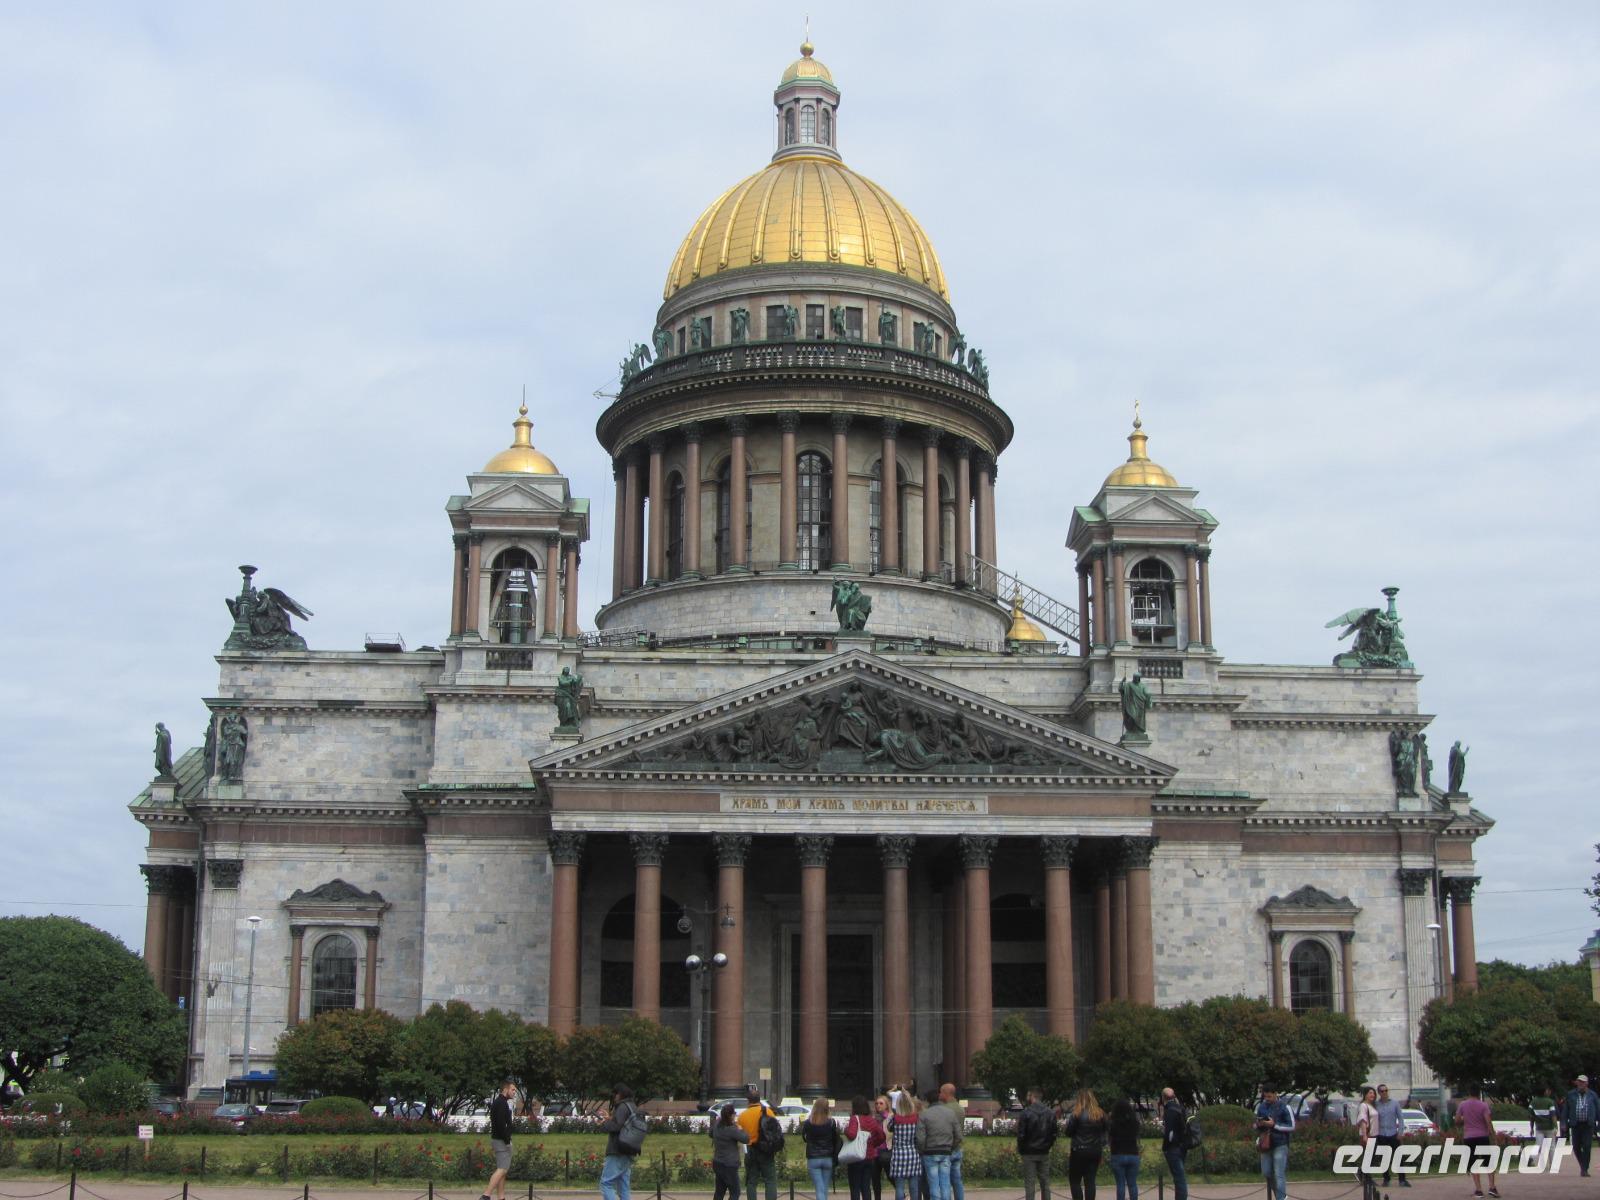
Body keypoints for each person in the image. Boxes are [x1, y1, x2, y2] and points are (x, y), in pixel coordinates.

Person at [916, 1085, 960, 1200]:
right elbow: (958, 1136)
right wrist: (951, 1147)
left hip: (930, 1152)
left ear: (927, 1101)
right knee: (945, 1184)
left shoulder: (924, 1115)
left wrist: (922, 1150)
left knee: (934, 1185)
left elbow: (920, 1138)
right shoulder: (950, 1113)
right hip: (946, 1151)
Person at [1016, 1086, 1058, 1200]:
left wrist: (1021, 1149)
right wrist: (1048, 1146)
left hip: (1029, 1152)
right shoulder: (1050, 1113)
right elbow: (1054, 1133)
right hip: (1044, 1151)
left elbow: (1021, 1135)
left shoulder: (1026, 1113)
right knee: (1045, 1182)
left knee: (1030, 1182)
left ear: (1032, 1096)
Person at [600, 1083, 641, 1200]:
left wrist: (605, 1123)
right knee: (623, 1187)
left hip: (617, 1150)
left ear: (620, 1094)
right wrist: (610, 1119)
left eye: (615, 1093)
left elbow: (617, 1127)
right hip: (629, 1149)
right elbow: (623, 1124)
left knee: (606, 1183)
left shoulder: (622, 1107)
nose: (614, 1096)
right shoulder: (632, 1106)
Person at [1063, 1090, 1107, 1200]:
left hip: (1078, 1150)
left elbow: (1068, 1132)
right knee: (1090, 1180)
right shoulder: (1100, 1113)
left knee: (1075, 1181)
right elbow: (1106, 1130)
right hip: (1095, 1150)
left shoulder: (1076, 1113)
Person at [1455, 1085, 1497, 1198]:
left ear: (1469, 1092)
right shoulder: (1483, 1105)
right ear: (1478, 1093)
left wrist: (1465, 1120)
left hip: (1469, 1137)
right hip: (1483, 1136)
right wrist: (1493, 1135)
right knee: (1488, 1161)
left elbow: (1457, 1121)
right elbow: (1488, 1121)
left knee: (1473, 1162)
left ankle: (1478, 1190)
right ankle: (1492, 1187)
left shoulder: (1462, 1105)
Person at [739, 1086, 780, 1200]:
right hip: (766, 1149)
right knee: (770, 1180)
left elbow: (740, 1133)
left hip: (751, 1150)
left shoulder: (743, 1116)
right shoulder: (768, 1112)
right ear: (759, 1099)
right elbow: (774, 1128)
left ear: (748, 1100)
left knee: (751, 1181)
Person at [478, 1078, 516, 1200]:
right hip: (501, 1141)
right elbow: (500, 1125)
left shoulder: (500, 1102)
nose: (514, 1092)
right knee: (502, 1169)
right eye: (512, 1089)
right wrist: (507, 1141)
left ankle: (501, 1197)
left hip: (499, 1140)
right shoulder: (501, 1103)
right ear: (505, 1089)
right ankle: (486, 1195)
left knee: (502, 1171)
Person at [1254, 1086, 1294, 1200]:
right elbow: (1255, 1124)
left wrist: (1274, 1125)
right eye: (1265, 1096)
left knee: (1279, 1174)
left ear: (1276, 1093)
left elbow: (1292, 1126)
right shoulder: (1261, 1107)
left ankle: (1280, 1198)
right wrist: (1259, 1124)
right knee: (1266, 1172)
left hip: (1280, 1143)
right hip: (1266, 1143)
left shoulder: (1285, 1107)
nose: (1267, 1098)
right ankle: (1281, 1196)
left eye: (1269, 1096)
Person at [845, 1095, 886, 1200]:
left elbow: (852, 1134)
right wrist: (873, 1144)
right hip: (869, 1156)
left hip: (856, 1157)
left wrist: (846, 1130)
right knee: (866, 1186)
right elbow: (882, 1135)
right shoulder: (872, 1120)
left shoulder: (855, 1119)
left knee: (855, 1187)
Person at [804, 1097, 844, 1200]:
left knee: (819, 1187)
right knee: (824, 1187)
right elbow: (835, 1138)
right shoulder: (831, 1123)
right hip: (827, 1157)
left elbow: (805, 1138)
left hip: (813, 1157)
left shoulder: (808, 1123)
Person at [887, 1091, 923, 1200]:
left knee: (899, 1187)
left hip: (898, 1154)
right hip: (912, 1153)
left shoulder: (895, 1119)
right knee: (914, 1186)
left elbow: (889, 1128)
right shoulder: (916, 1118)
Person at [1373, 1084, 1409, 1187]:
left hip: (1393, 1134)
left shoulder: (1395, 1103)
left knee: (1398, 1157)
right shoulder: (1376, 1105)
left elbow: (1401, 1118)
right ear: (1379, 1093)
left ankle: (1402, 1180)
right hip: (1381, 1134)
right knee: (1384, 1158)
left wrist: (1400, 1132)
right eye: (1382, 1091)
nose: (1384, 1093)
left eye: (1386, 1090)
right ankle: (1386, 1179)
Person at [711, 1103, 749, 1200]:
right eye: (734, 1114)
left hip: (717, 1162)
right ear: (731, 1115)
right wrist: (741, 1129)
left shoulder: (717, 1126)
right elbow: (746, 1139)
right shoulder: (732, 1129)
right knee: (735, 1192)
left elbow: (711, 1133)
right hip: (729, 1165)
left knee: (719, 1192)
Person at [1107, 1098, 1142, 1200]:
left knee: (1120, 1184)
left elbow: (1110, 1139)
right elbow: (1137, 1138)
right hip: (1133, 1154)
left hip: (1118, 1153)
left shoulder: (1113, 1123)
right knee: (1132, 1184)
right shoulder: (1135, 1123)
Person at [937, 1084, 965, 1200]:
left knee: (945, 1181)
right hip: (958, 1148)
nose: (939, 1095)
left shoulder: (945, 1109)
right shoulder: (960, 1108)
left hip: (947, 1148)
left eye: (941, 1092)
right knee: (957, 1180)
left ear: (946, 1093)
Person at [1565, 1074, 1596, 1177]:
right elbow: (1566, 1109)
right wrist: (1564, 1122)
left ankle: (1584, 1169)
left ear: (1586, 1083)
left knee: (1587, 1146)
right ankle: (1583, 1165)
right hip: (1576, 1124)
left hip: (1588, 1125)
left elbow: (1598, 1109)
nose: (1580, 1084)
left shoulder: (1593, 1095)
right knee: (1576, 1146)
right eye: (1579, 1081)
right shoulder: (1571, 1094)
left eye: (1583, 1082)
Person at [1160, 1088, 1188, 1200]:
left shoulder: (1170, 1111)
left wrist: (1165, 1147)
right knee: (1179, 1177)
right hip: (1182, 1146)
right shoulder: (1180, 1108)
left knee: (1179, 1178)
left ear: (1163, 1097)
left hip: (1173, 1148)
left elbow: (1170, 1134)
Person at [1353, 1087, 1378, 1189]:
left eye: (1373, 1093)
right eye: (1370, 1093)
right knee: (1368, 1157)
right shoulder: (1363, 1106)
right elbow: (1363, 1120)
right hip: (1368, 1134)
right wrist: (1364, 1135)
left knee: (1371, 1157)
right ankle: (1367, 1177)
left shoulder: (1371, 1106)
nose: (1372, 1095)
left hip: (1374, 1134)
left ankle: (1362, 1173)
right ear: (1365, 1094)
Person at [872, 1094, 895, 1200]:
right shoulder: (873, 1118)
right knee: (875, 1178)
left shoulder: (891, 1117)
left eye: (881, 1103)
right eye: (876, 1103)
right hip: (875, 1151)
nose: (878, 1105)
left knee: (890, 1175)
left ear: (886, 1105)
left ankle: (900, 1193)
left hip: (886, 1150)